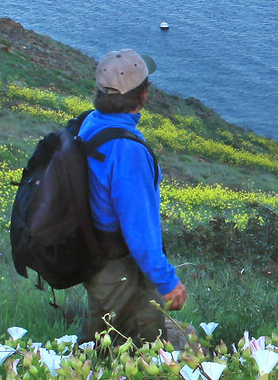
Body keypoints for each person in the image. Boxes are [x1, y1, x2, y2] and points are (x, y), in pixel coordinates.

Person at [78, 48, 191, 348]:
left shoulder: (92, 123)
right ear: (142, 95)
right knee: (141, 354)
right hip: (122, 272)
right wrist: (168, 283)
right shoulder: (127, 152)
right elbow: (139, 231)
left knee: (99, 348)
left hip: (99, 264)